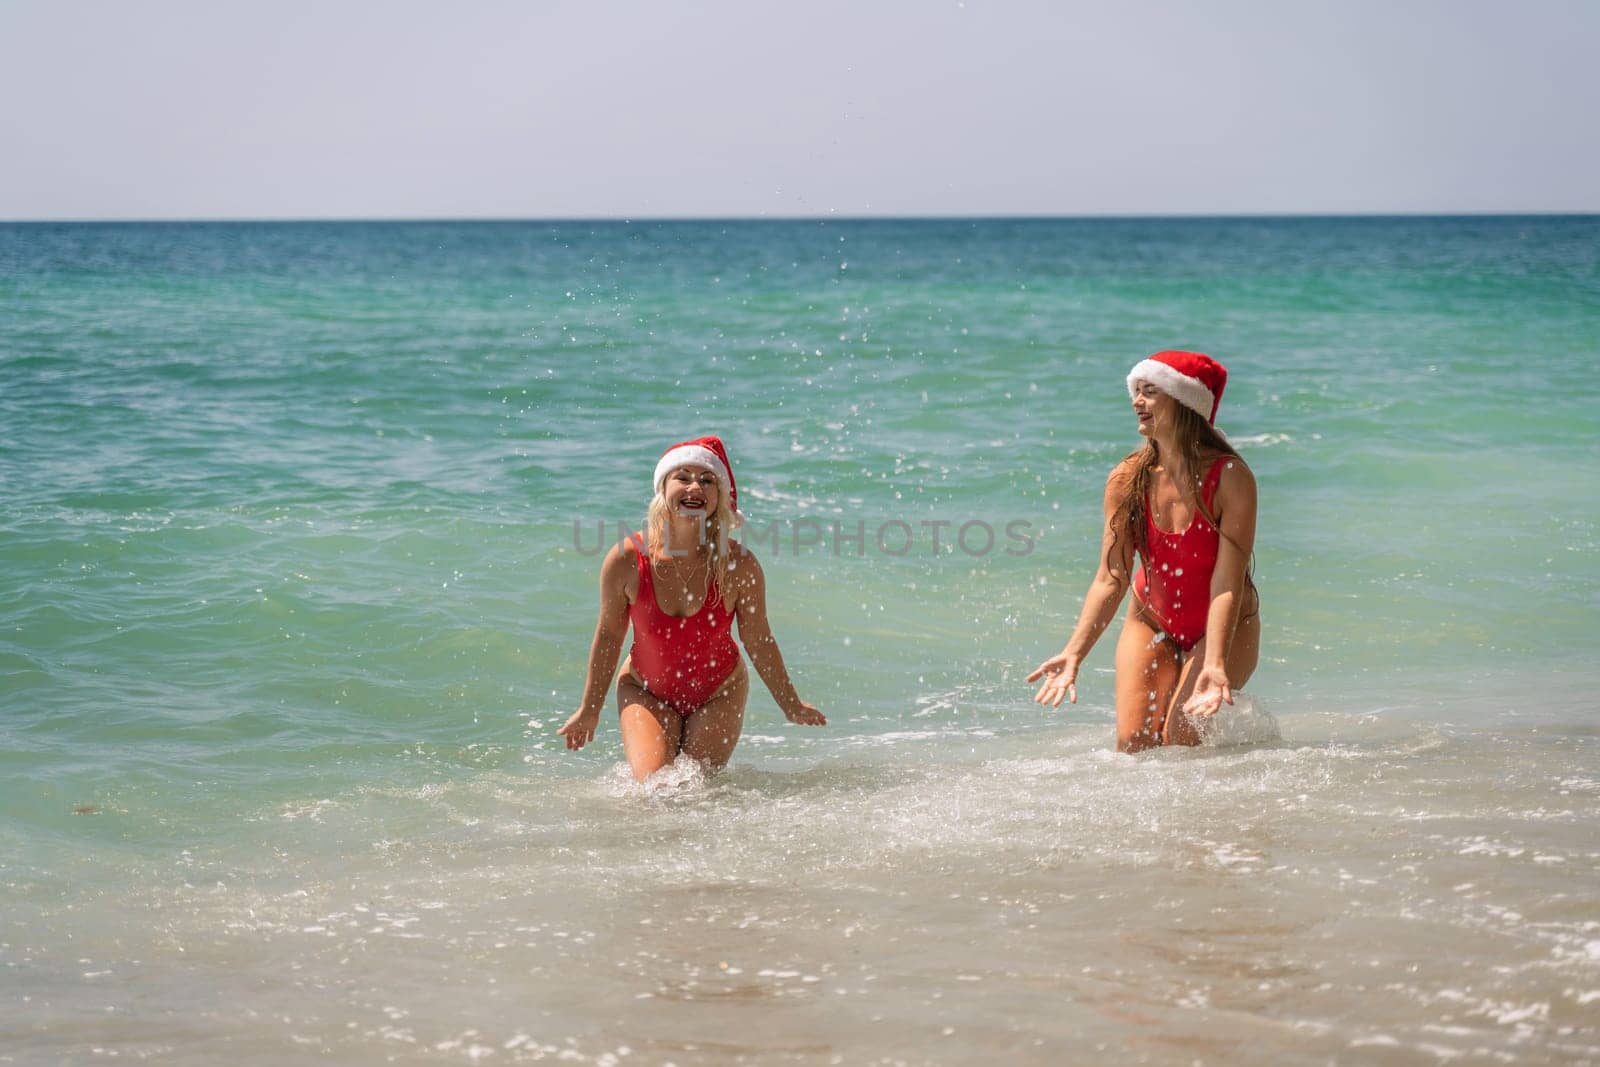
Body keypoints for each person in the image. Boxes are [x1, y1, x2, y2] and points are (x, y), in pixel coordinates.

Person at [1027, 351, 1260, 751]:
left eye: (1151, 391)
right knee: (1134, 742)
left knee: (1182, 734)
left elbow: (1227, 581)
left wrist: (1214, 662)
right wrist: (1074, 652)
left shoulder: (1230, 479)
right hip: (1152, 619)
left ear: (1185, 402)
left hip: (1226, 622)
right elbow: (1111, 576)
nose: (1137, 401)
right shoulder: (1127, 479)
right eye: (1136, 391)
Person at [558, 435, 825, 780]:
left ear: (719, 498)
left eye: (707, 480)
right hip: (645, 690)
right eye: (682, 477)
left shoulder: (738, 565)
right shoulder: (627, 559)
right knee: (658, 789)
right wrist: (588, 710)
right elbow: (610, 635)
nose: (694, 486)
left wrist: (791, 703)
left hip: (719, 692)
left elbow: (758, 640)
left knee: (695, 791)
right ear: (663, 488)